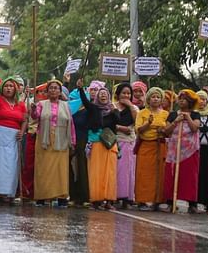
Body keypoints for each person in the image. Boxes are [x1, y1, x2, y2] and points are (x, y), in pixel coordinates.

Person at [0, 76, 27, 203]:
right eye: (6, 86)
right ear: (2, 88)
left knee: (10, 164)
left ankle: (7, 193)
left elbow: (24, 120)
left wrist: (22, 132)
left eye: (11, 86)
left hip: (12, 137)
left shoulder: (21, 104)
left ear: (16, 89)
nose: (8, 88)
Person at [76, 80, 120, 210]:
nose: (103, 95)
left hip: (110, 144)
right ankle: (96, 199)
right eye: (101, 93)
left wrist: (115, 111)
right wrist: (80, 89)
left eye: (105, 94)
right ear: (97, 96)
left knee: (109, 172)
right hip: (96, 143)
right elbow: (85, 102)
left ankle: (109, 200)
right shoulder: (93, 108)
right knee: (96, 172)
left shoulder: (112, 110)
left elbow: (118, 121)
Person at [30, 79, 75, 207]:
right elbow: (35, 117)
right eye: (51, 88)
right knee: (43, 169)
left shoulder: (66, 106)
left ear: (60, 91)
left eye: (56, 88)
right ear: (47, 91)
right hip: (44, 139)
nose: (53, 90)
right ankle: (42, 197)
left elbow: (71, 124)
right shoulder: (41, 104)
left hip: (62, 140)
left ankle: (61, 197)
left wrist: (73, 141)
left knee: (60, 170)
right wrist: (33, 109)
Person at [134, 87, 169, 211]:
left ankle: (157, 201)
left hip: (160, 146)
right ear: (148, 99)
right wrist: (148, 124)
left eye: (158, 97)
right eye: (153, 96)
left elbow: (169, 131)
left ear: (161, 100)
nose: (155, 99)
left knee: (160, 174)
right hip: (146, 146)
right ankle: (142, 200)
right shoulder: (142, 113)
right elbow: (138, 130)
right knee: (143, 174)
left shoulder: (165, 114)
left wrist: (163, 130)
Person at [113, 83, 138, 209]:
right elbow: (107, 122)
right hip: (114, 142)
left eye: (129, 93)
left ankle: (126, 198)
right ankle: (114, 196)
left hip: (128, 143)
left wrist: (130, 105)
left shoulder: (134, 108)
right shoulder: (112, 107)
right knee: (115, 170)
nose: (126, 95)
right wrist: (119, 128)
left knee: (127, 171)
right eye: (124, 93)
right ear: (118, 94)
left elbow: (137, 122)